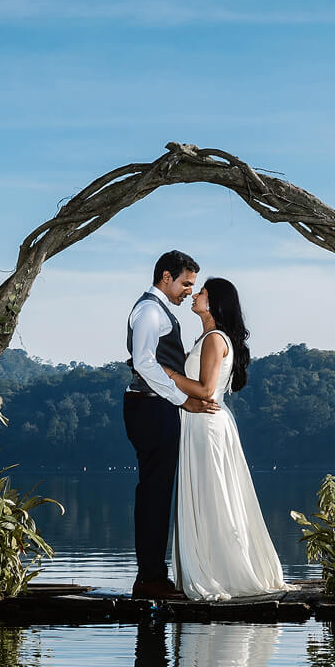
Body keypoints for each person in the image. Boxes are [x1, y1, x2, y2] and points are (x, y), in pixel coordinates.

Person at [163, 277, 289, 601]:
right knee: (209, 495)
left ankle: (220, 571)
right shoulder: (206, 337)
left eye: (202, 292)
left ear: (215, 302)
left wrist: (169, 374)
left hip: (205, 425)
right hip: (199, 423)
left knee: (213, 495)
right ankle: (209, 565)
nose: (195, 295)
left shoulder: (215, 339)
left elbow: (205, 389)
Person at [124, 251, 217, 600]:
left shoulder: (158, 310)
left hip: (154, 406)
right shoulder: (149, 310)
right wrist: (182, 399)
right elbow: (145, 363)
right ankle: (149, 579)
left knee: (158, 492)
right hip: (149, 407)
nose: (188, 292)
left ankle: (153, 575)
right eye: (185, 284)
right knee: (154, 493)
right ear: (167, 277)